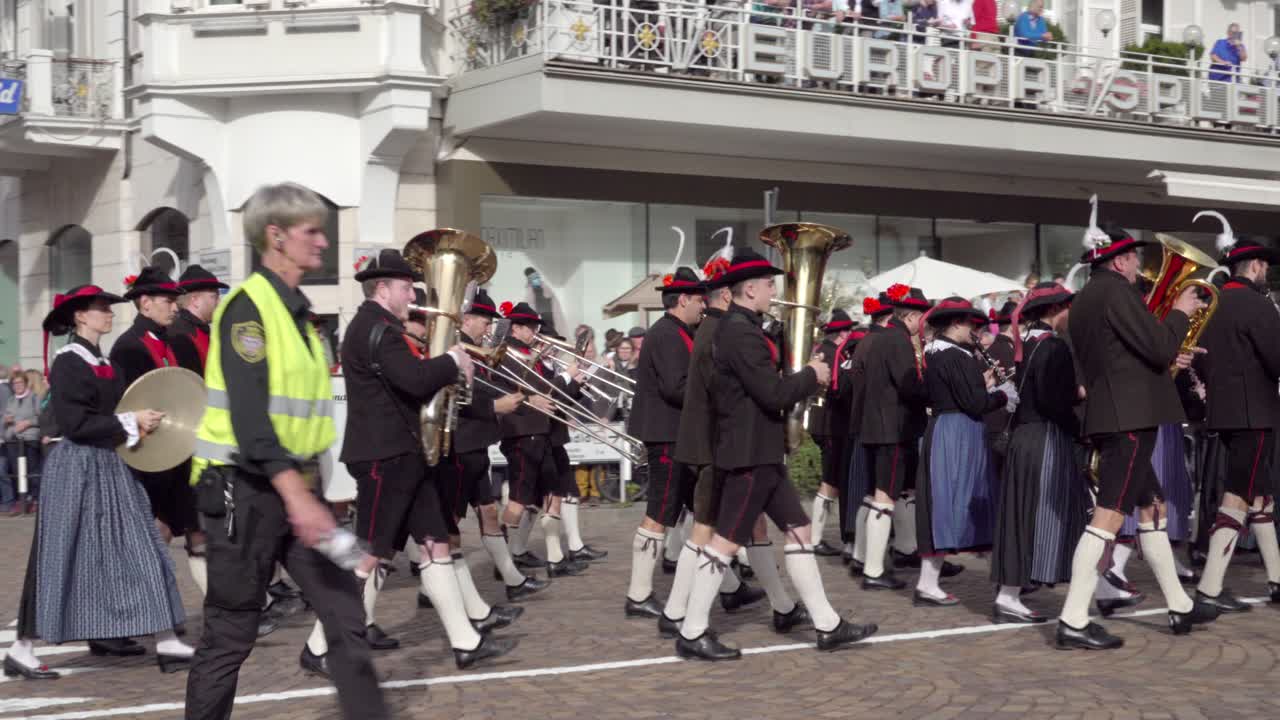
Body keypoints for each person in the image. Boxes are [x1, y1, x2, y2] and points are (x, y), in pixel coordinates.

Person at [184, 183, 389, 719]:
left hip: (290, 487)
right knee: (232, 632)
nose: (323, 242)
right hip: (240, 490)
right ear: (276, 237)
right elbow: (252, 421)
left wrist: (317, 500)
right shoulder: (248, 310)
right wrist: (301, 499)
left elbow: (300, 422)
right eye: (311, 231)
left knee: (345, 614)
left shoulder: (300, 314)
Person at [674, 248, 876, 661]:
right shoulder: (739, 332)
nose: (773, 290)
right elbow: (772, 392)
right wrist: (811, 376)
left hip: (759, 453)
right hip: (749, 455)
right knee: (725, 544)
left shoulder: (744, 328)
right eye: (769, 284)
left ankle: (827, 624)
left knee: (799, 531)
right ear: (750, 288)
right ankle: (693, 631)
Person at [7, 285, 190, 681]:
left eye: (108, 307)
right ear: (80, 317)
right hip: (76, 467)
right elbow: (74, 424)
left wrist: (143, 421)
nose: (109, 313)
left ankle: (166, 638)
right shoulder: (69, 362)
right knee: (56, 556)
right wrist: (131, 422)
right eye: (100, 308)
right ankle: (22, 648)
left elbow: (119, 410)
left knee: (141, 544)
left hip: (110, 464)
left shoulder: (103, 361)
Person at [1054, 223, 1219, 651]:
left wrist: (1169, 345)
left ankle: (1180, 605)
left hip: (1119, 412)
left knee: (1152, 507)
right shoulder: (1115, 292)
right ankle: (1073, 618)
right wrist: (1180, 310)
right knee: (1108, 516)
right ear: (1121, 260)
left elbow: (1136, 352)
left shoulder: (1089, 296)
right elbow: (1159, 348)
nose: (1139, 268)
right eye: (1134, 260)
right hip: (1126, 418)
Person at [660, 252, 787, 642]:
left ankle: (782, 605)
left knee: (727, 530)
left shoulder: (710, 330)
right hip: (718, 447)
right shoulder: (720, 333)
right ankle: (682, 616)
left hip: (709, 444)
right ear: (729, 296)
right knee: (709, 533)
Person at [436, 288, 548, 604]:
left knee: (487, 511)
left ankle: (512, 579)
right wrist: (494, 408)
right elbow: (456, 399)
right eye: (485, 322)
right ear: (468, 318)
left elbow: (490, 388)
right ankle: (435, 586)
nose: (489, 329)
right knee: (450, 523)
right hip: (460, 446)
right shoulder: (455, 349)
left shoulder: (476, 351)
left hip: (476, 445)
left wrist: (518, 397)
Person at [110, 266, 210, 602]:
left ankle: (220, 610)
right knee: (158, 533)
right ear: (145, 303)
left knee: (196, 531)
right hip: (149, 459)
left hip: (179, 455)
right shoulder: (127, 348)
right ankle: (136, 607)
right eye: (168, 300)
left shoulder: (173, 343)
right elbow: (125, 406)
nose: (175, 307)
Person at [990, 282, 1086, 622]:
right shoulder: (1054, 347)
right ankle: (1010, 595)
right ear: (1052, 311)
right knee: (1040, 515)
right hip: (1045, 437)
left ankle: (1009, 593)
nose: (1070, 314)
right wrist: (1079, 421)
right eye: (1066, 308)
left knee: (1019, 515)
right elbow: (1051, 400)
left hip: (1023, 437)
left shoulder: (1027, 344)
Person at [1194, 236, 1280, 610]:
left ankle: (1277, 579)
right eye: (1265, 267)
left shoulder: (1211, 303)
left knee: (1260, 497)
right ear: (1256, 266)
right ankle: (1209, 590)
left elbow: (1197, 358)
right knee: (1239, 497)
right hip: (1254, 414)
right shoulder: (1258, 305)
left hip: (1224, 414)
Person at [914, 298, 1014, 606]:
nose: (975, 330)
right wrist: (1002, 397)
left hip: (950, 428)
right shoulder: (956, 356)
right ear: (956, 323)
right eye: (971, 325)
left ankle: (929, 582)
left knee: (947, 504)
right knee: (951, 504)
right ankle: (1005, 581)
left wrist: (982, 384)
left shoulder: (938, 352)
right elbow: (973, 403)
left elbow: (959, 392)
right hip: (957, 432)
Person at [623, 266, 708, 620]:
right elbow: (677, 386)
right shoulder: (669, 334)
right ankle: (638, 594)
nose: (704, 305)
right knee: (659, 515)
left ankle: (730, 587)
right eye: (700, 299)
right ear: (683, 299)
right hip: (667, 437)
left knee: (703, 514)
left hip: (676, 436)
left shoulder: (675, 331)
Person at [493, 301, 580, 576]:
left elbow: (553, 394)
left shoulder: (530, 354)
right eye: (529, 327)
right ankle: (503, 560)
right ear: (515, 328)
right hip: (521, 434)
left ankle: (555, 559)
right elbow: (538, 390)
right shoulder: (508, 355)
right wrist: (567, 376)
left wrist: (575, 383)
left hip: (540, 434)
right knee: (518, 500)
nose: (535, 332)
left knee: (553, 492)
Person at [857, 284, 932, 590]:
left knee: (882, 495)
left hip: (878, 426)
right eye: (922, 318)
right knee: (885, 497)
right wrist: (933, 391)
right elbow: (909, 386)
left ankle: (870, 561)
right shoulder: (898, 340)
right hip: (893, 428)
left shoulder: (878, 338)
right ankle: (873, 571)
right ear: (912, 317)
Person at [845, 293, 894, 573]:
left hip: (863, 423)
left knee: (868, 493)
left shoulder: (865, 341)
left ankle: (862, 555)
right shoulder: (879, 342)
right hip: (875, 425)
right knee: (879, 493)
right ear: (888, 318)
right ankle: (869, 564)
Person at [809, 309, 856, 556]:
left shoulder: (822, 350)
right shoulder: (833, 353)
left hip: (821, 421)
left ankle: (816, 538)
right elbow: (838, 389)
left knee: (832, 480)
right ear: (842, 332)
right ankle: (815, 539)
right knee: (830, 481)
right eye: (848, 330)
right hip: (830, 423)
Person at [170, 264, 229, 374]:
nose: (219, 302)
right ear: (195, 300)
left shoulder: (198, 330)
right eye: (214, 296)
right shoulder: (180, 336)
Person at [3, 367, 42, 516]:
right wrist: (7, 422)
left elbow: (40, 418)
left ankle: (35, 498)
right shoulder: (11, 400)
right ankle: (22, 499)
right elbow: (6, 417)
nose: (17, 386)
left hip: (29, 439)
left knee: (32, 470)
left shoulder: (34, 398)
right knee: (17, 471)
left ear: (26, 383)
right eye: (14, 384)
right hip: (13, 440)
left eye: (19, 383)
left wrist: (27, 423)